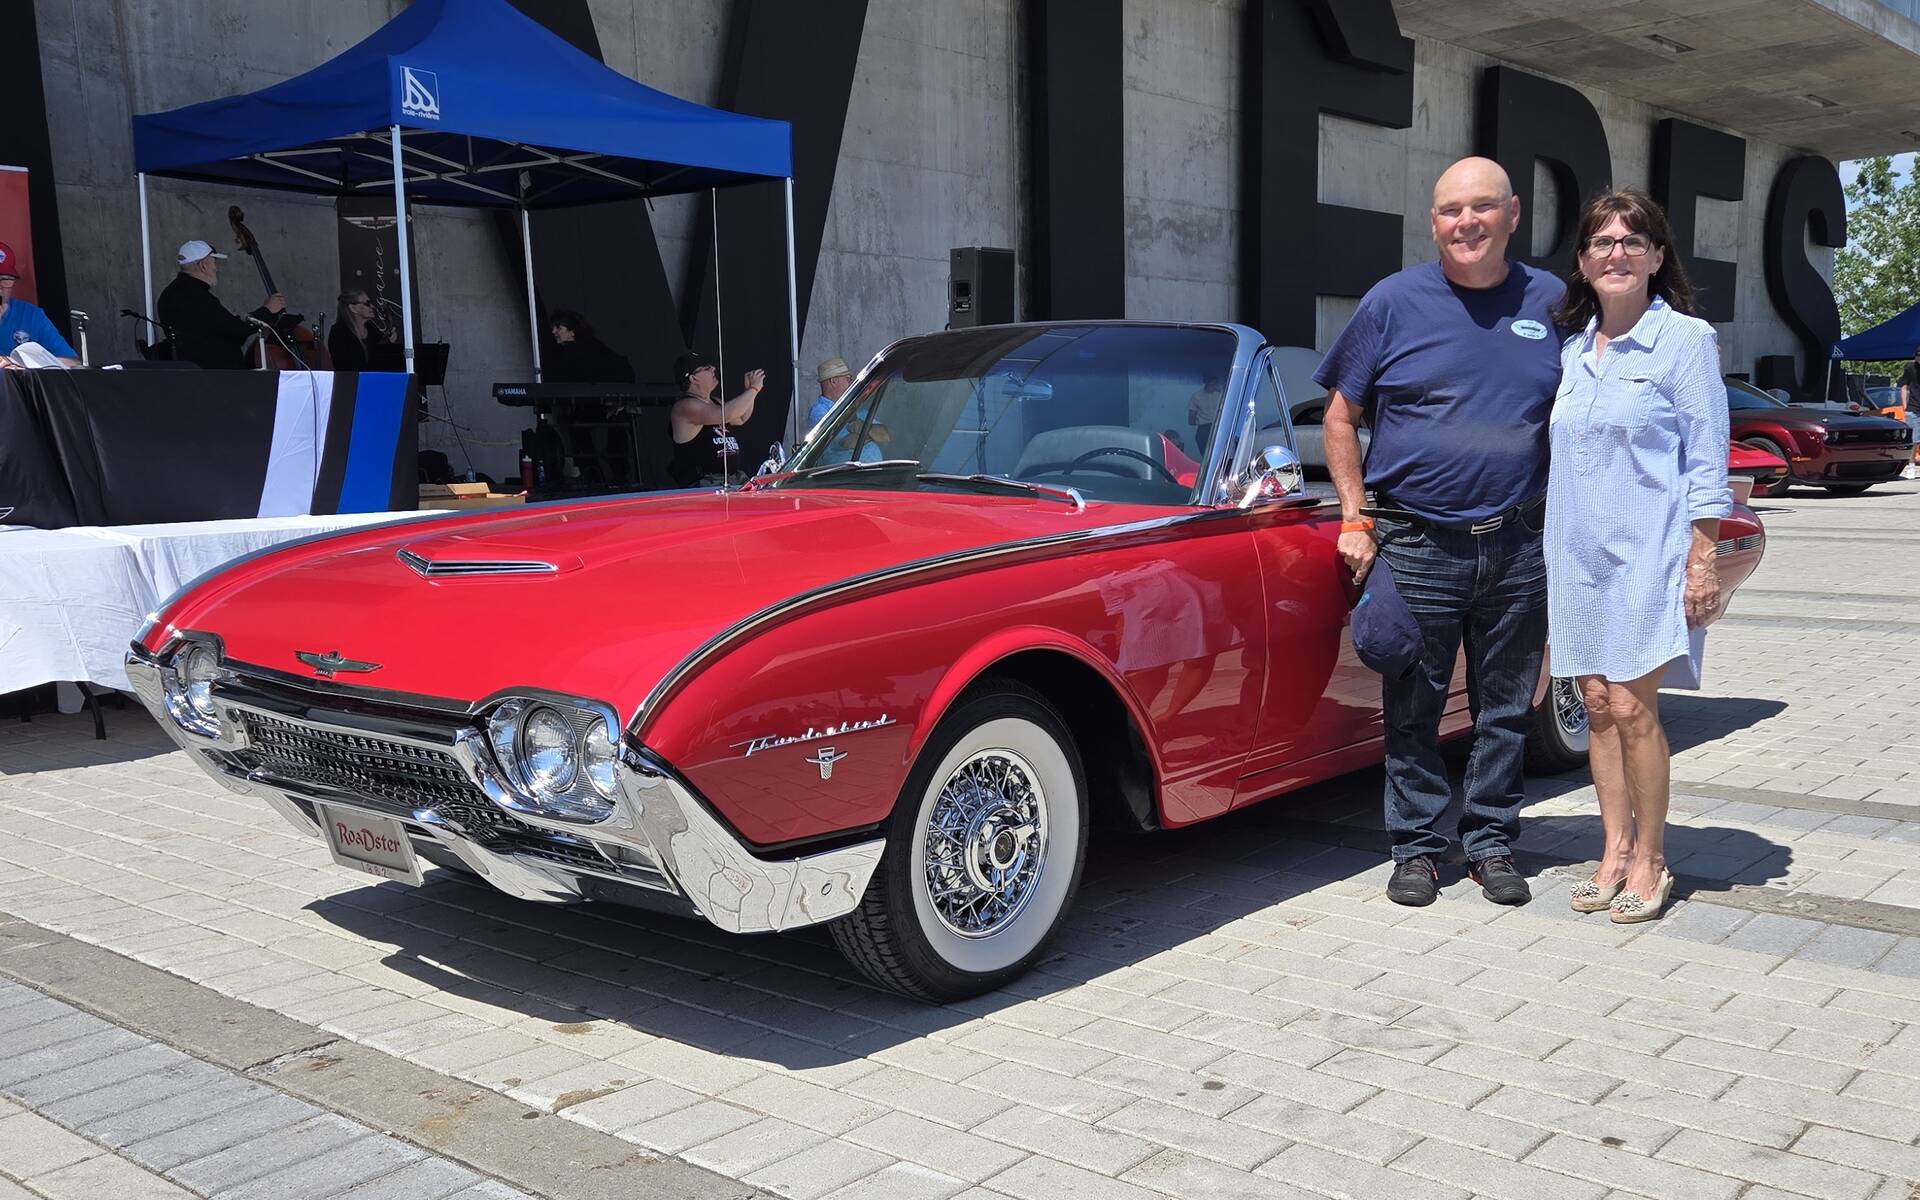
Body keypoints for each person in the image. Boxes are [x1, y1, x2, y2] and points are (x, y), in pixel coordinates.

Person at [1315, 156, 1565, 908]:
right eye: (1452, 210)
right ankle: (1420, 848)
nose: (1467, 223)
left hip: (1519, 542)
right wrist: (1356, 514)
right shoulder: (1393, 303)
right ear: (1433, 223)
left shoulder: (1551, 301)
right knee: (1415, 707)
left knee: (1506, 708)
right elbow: (1339, 417)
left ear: (1512, 215)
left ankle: (1490, 842)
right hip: (1420, 541)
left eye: (1483, 208)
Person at [1548, 189, 1729, 924]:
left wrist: (1702, 560)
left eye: (1632, 241)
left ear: (1657, 257)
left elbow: (1708, 461)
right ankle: (1613, 849)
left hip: (1648, 557)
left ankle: (1652, 858)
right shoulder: (1571, 352)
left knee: (1631, 706)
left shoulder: (1685, 341)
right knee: (1594, 706)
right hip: (1577, 557)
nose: (1615, 253)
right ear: (1584, 263)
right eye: (1601, 242)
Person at [157, 239, 284, 369]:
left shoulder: (170, 293)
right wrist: (267, 310)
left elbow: (211, 327)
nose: (216, 268)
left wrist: (241, 319)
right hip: (217, 376)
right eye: (214, 262)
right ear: (203, 265)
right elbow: (237, 331)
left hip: (194, 373)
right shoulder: (196, 296)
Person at [668, 351, 763, 487]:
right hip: (706, 484)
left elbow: (741, 417)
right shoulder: (685, 406)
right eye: (706, 368)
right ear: (693, 379)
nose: (713, 369)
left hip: (731, 479)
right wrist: (754, 389)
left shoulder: (715, 402)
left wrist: (749, 392)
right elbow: (727, 414)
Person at [0, 242, 80, 368]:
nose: (0, 287)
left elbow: (72, 362)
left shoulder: (31, 315)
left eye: (5, 280)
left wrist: (21, 365)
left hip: (24, 386)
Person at [546, 310, 635, 384]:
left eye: (558, 328)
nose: (553, 332)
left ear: (572, 331)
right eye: (552, 328)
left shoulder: (584, 349)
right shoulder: (591, 345)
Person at [326, 288, 390, 371]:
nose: (372, 306)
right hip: (351, 382)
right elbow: (344, 366)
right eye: (367, 303)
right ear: (353, 308)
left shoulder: (372, 329)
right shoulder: (339, 332)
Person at [807, 355, 854, 428]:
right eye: (847, 379)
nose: (850, 383)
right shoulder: (819, 413)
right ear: (834, 381)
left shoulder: (848, 405)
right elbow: (839, 438)